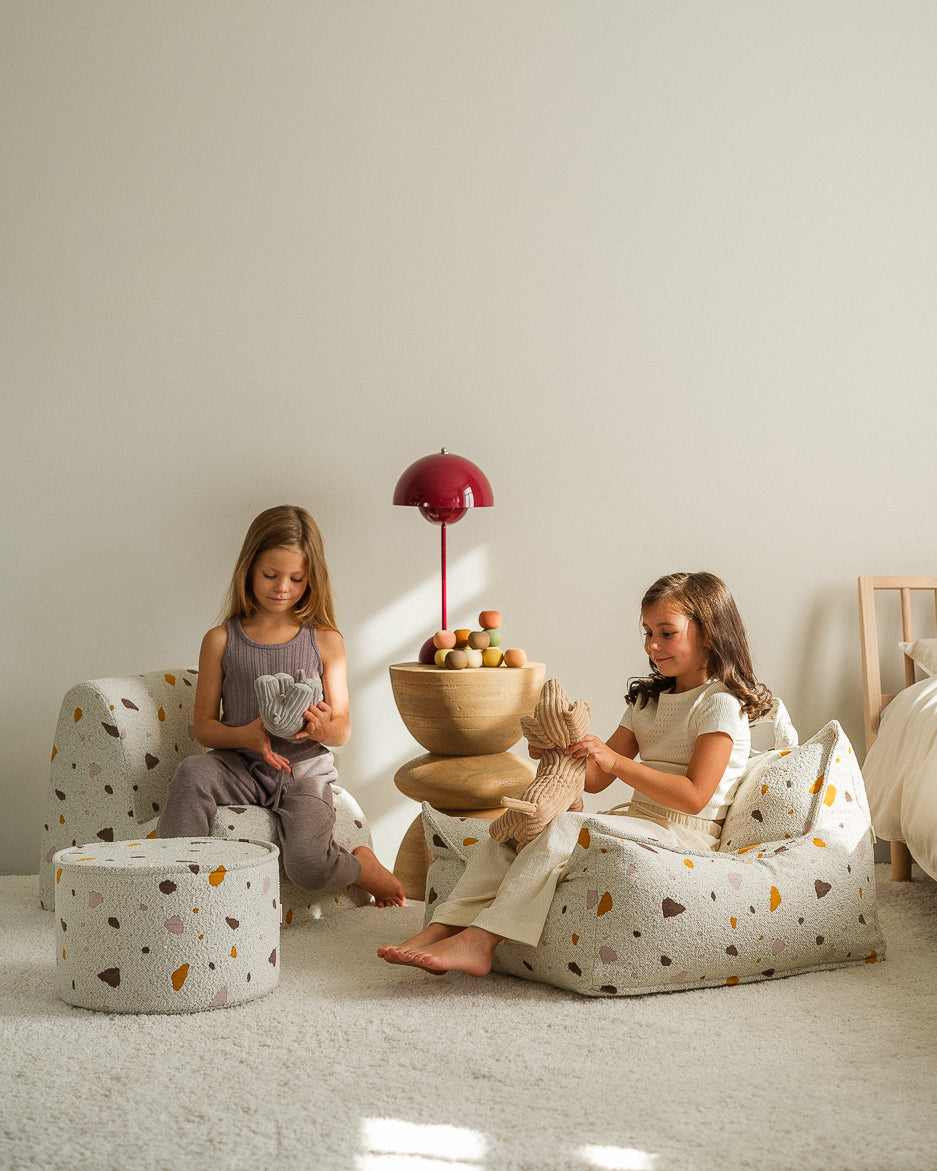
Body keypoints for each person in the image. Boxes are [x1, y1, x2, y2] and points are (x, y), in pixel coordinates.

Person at [378, 571, 771, 974]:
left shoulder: (719, 702)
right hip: (641, 823)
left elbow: (694, 796)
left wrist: (617, 762)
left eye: (667, 633)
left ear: (708, 633)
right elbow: (598, 778)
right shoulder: (648, 700)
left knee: (566, 830)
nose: (653, 645)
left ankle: (481, 940)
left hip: (687, 834)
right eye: (647, 632)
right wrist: (559, 751)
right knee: (519, 827)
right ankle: (441, 928)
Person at [158, 505, 404, 908]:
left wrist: (322, 728)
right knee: (192, 772)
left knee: (307, 866)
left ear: (312, 578)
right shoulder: (221, 639)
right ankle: (172, 887)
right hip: (239, 765)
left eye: (296, 578)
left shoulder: (325, 640)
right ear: (249, 570)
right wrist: (247, 736)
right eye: (271, 576)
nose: (282, 587)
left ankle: (361, 866)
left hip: (304, 770)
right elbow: (204, 727)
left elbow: (342, 729)